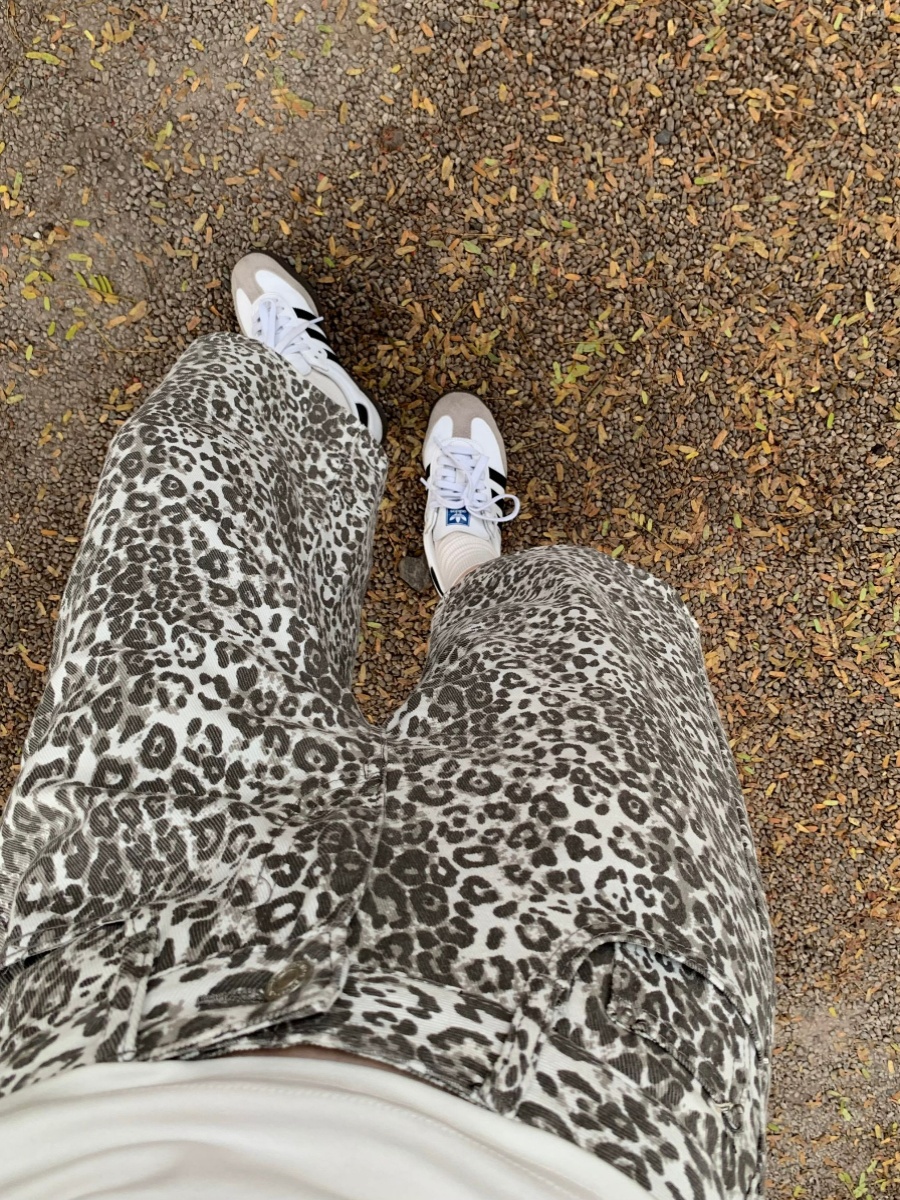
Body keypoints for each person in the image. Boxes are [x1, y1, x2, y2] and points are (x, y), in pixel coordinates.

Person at [0, 253, 774, 1200]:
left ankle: (317, 410)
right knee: (579, 654)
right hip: (593, 1093)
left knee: (184, 489)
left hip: (106, 986)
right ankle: (472, 565)